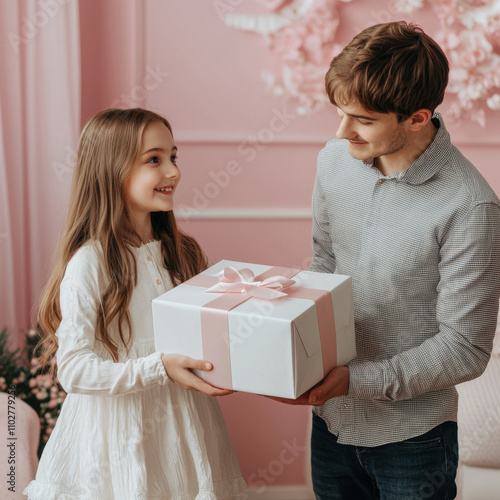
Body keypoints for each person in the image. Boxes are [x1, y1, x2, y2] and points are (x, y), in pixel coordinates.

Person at [275, 21, 500, 499]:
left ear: (417, 118)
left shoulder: (471, 206)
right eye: (339, 113)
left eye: (362, 119)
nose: (342, 132)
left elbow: (465, 348)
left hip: (414, 442)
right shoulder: (335, 161)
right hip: (330, 423)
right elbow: (324, 261)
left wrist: (354, 382)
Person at [24, 108, 247, 499]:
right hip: (116, 438)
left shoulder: (185, 253)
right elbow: (74, 370)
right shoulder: (90, 263)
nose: (173, 172)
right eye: (154, 160)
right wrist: (159, 367)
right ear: (112, 170)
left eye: (173, 157)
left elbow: (210, 333)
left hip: (184, 429)